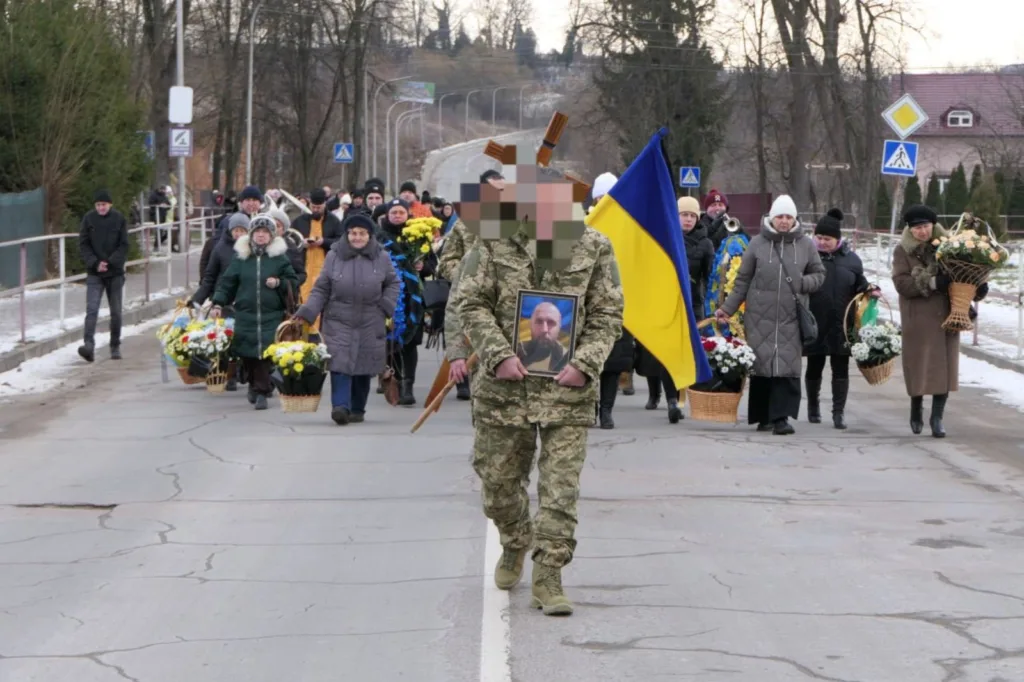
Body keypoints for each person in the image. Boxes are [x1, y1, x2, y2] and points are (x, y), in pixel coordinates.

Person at [457, 162, 624, 616]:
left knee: (560, 488)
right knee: (497, 484)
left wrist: (586, 364)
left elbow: (609, 313)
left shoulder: (594, 246)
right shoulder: (493, 241)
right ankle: (514, 538)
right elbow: (469, 302)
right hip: (504, 390)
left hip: (567, 391)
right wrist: (497, 354)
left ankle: (549, 573)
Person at [715, 195, 826, 435]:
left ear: (794, 219)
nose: (784, 221)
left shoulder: (806, 245)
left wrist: (802, 283)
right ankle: (763, 417)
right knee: (762, 366)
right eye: (780, 217)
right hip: (759, 317)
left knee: (786, 368)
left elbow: (819, 274)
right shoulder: (757, 244)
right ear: (772, 218)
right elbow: (742, 281)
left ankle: (781, 418)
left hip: (791, 318)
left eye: (788, 217)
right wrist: (727, 309)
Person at [891, 204, 988, 438]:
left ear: (933, 225)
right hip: (918, 316)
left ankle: (937, 418)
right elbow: (901, 283)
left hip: (947, 315)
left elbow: (964, 275)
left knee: (944, 367)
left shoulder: (952, 246)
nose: (922, 231)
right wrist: (932, 283)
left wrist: (978, 287)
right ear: (909, 229)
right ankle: (916, 407)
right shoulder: (903, 251)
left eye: (925, 226)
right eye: (916, 228)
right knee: (919, 366)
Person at [295, 213, 399, 425]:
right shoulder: (334, 256)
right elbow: (322, 288)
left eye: (362, 233)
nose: (357, 237)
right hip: (338, 318)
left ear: (369, 235)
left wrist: (386, 306)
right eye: (353, 233)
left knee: (363, 365)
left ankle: (358, 408)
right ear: (347, 234)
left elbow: (393, 283)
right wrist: (308, 312)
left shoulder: (382, 257)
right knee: (339, 363)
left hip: (371, 318)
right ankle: (340, 407)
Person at [210, 215, 298, 410]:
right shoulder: (241, 258)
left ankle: (261, 391)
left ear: (272, 236)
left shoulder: (279, 258)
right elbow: (227, 283)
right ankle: (252, 383)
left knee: (265, 354)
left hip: (271, 314)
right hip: (245, 314)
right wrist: (217, 303)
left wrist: (279, 283)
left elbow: (293, 281)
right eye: (257, 231)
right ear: (251, 234)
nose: (261, 235)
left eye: (265, 232)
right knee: (247, 354)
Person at [805, 209, 876, 430]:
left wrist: (869, 289)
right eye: (819, 237)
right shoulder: (808, 257)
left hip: (842, 324)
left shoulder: (851, 260)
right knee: (814, 365)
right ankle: (813, 406)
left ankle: (838, 412)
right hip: (816, 320)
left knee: (840, 368)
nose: (822, 242)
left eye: (827, 239)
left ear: (837, 239)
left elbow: (860, 284)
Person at [438, 170, 498, 400]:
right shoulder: (465, 224)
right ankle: (464, 379)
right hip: (470, 294)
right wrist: (466, 276)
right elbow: (447, 259)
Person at [77, 190, 129, 362]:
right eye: (98, 205)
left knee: (116, 311)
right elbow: (83, 244)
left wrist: (110, 262)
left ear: (110, 204)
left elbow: (124, 245)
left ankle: (115, 345)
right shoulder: (88, 219)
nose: (101, 208)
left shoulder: (119, 219)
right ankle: (88, 345)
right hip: (95, 273)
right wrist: (94, 263)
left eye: (104, 205)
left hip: (114, 273)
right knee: (91, 310)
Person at [292, 188, 344, 328]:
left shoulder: (334, 221)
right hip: (303, 268)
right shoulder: (299, 221)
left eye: (318, 207)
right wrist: (301, 243)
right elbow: (290, 239)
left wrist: (323, 242)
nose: (315, 210)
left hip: (325, 269)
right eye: (313, 207)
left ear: (325, 204)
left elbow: (341, 242)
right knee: (303, 299)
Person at [516, 301, 570, 373]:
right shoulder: (513, 352)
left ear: (559, 327)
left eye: (551, 322)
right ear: (531, 325)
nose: (544, 329)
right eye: (539, 322)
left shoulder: (568, 360)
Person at [269, 207, 307, 290]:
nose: (274, 229)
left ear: (283, 230)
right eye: (271, 225)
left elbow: (301, 275)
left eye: (277, 226)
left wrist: (281, 283)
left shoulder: (290, 248)